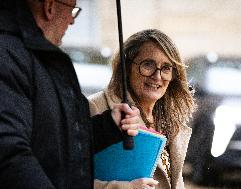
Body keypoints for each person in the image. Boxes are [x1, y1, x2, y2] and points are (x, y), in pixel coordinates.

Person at [0, 1, 141, 189]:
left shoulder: (43, 60)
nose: (72, 22)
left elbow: (57, 141)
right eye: (72, 11)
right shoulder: (8, 56)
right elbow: (9, 154)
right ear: (49, 7)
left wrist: (109, 125)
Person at [89, 29, 196, 189]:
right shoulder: (95, 108)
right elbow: (66, 178)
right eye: (148, 64)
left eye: (166, 68)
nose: (157, 76)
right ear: (126, 68)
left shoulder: (170, 121)